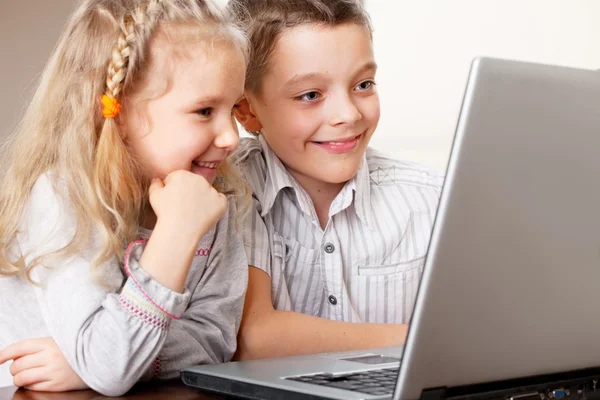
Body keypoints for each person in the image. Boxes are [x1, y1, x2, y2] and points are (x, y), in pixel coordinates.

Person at [0, 0, 249, 395]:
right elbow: (110, 366)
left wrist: (100, 362)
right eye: (204, 111)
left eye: (234, 108)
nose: (231, 137)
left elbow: (214, 340)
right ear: (118, 112)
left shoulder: (212, 202)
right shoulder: (64, 198)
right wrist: (176, 234)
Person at [228, 0, 444, 360]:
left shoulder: (433, 202)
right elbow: (254, 339)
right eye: (310, 95)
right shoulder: (231, 187)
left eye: (363, 84)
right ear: (247, 110)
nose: (348, 114)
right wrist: (420, 341)